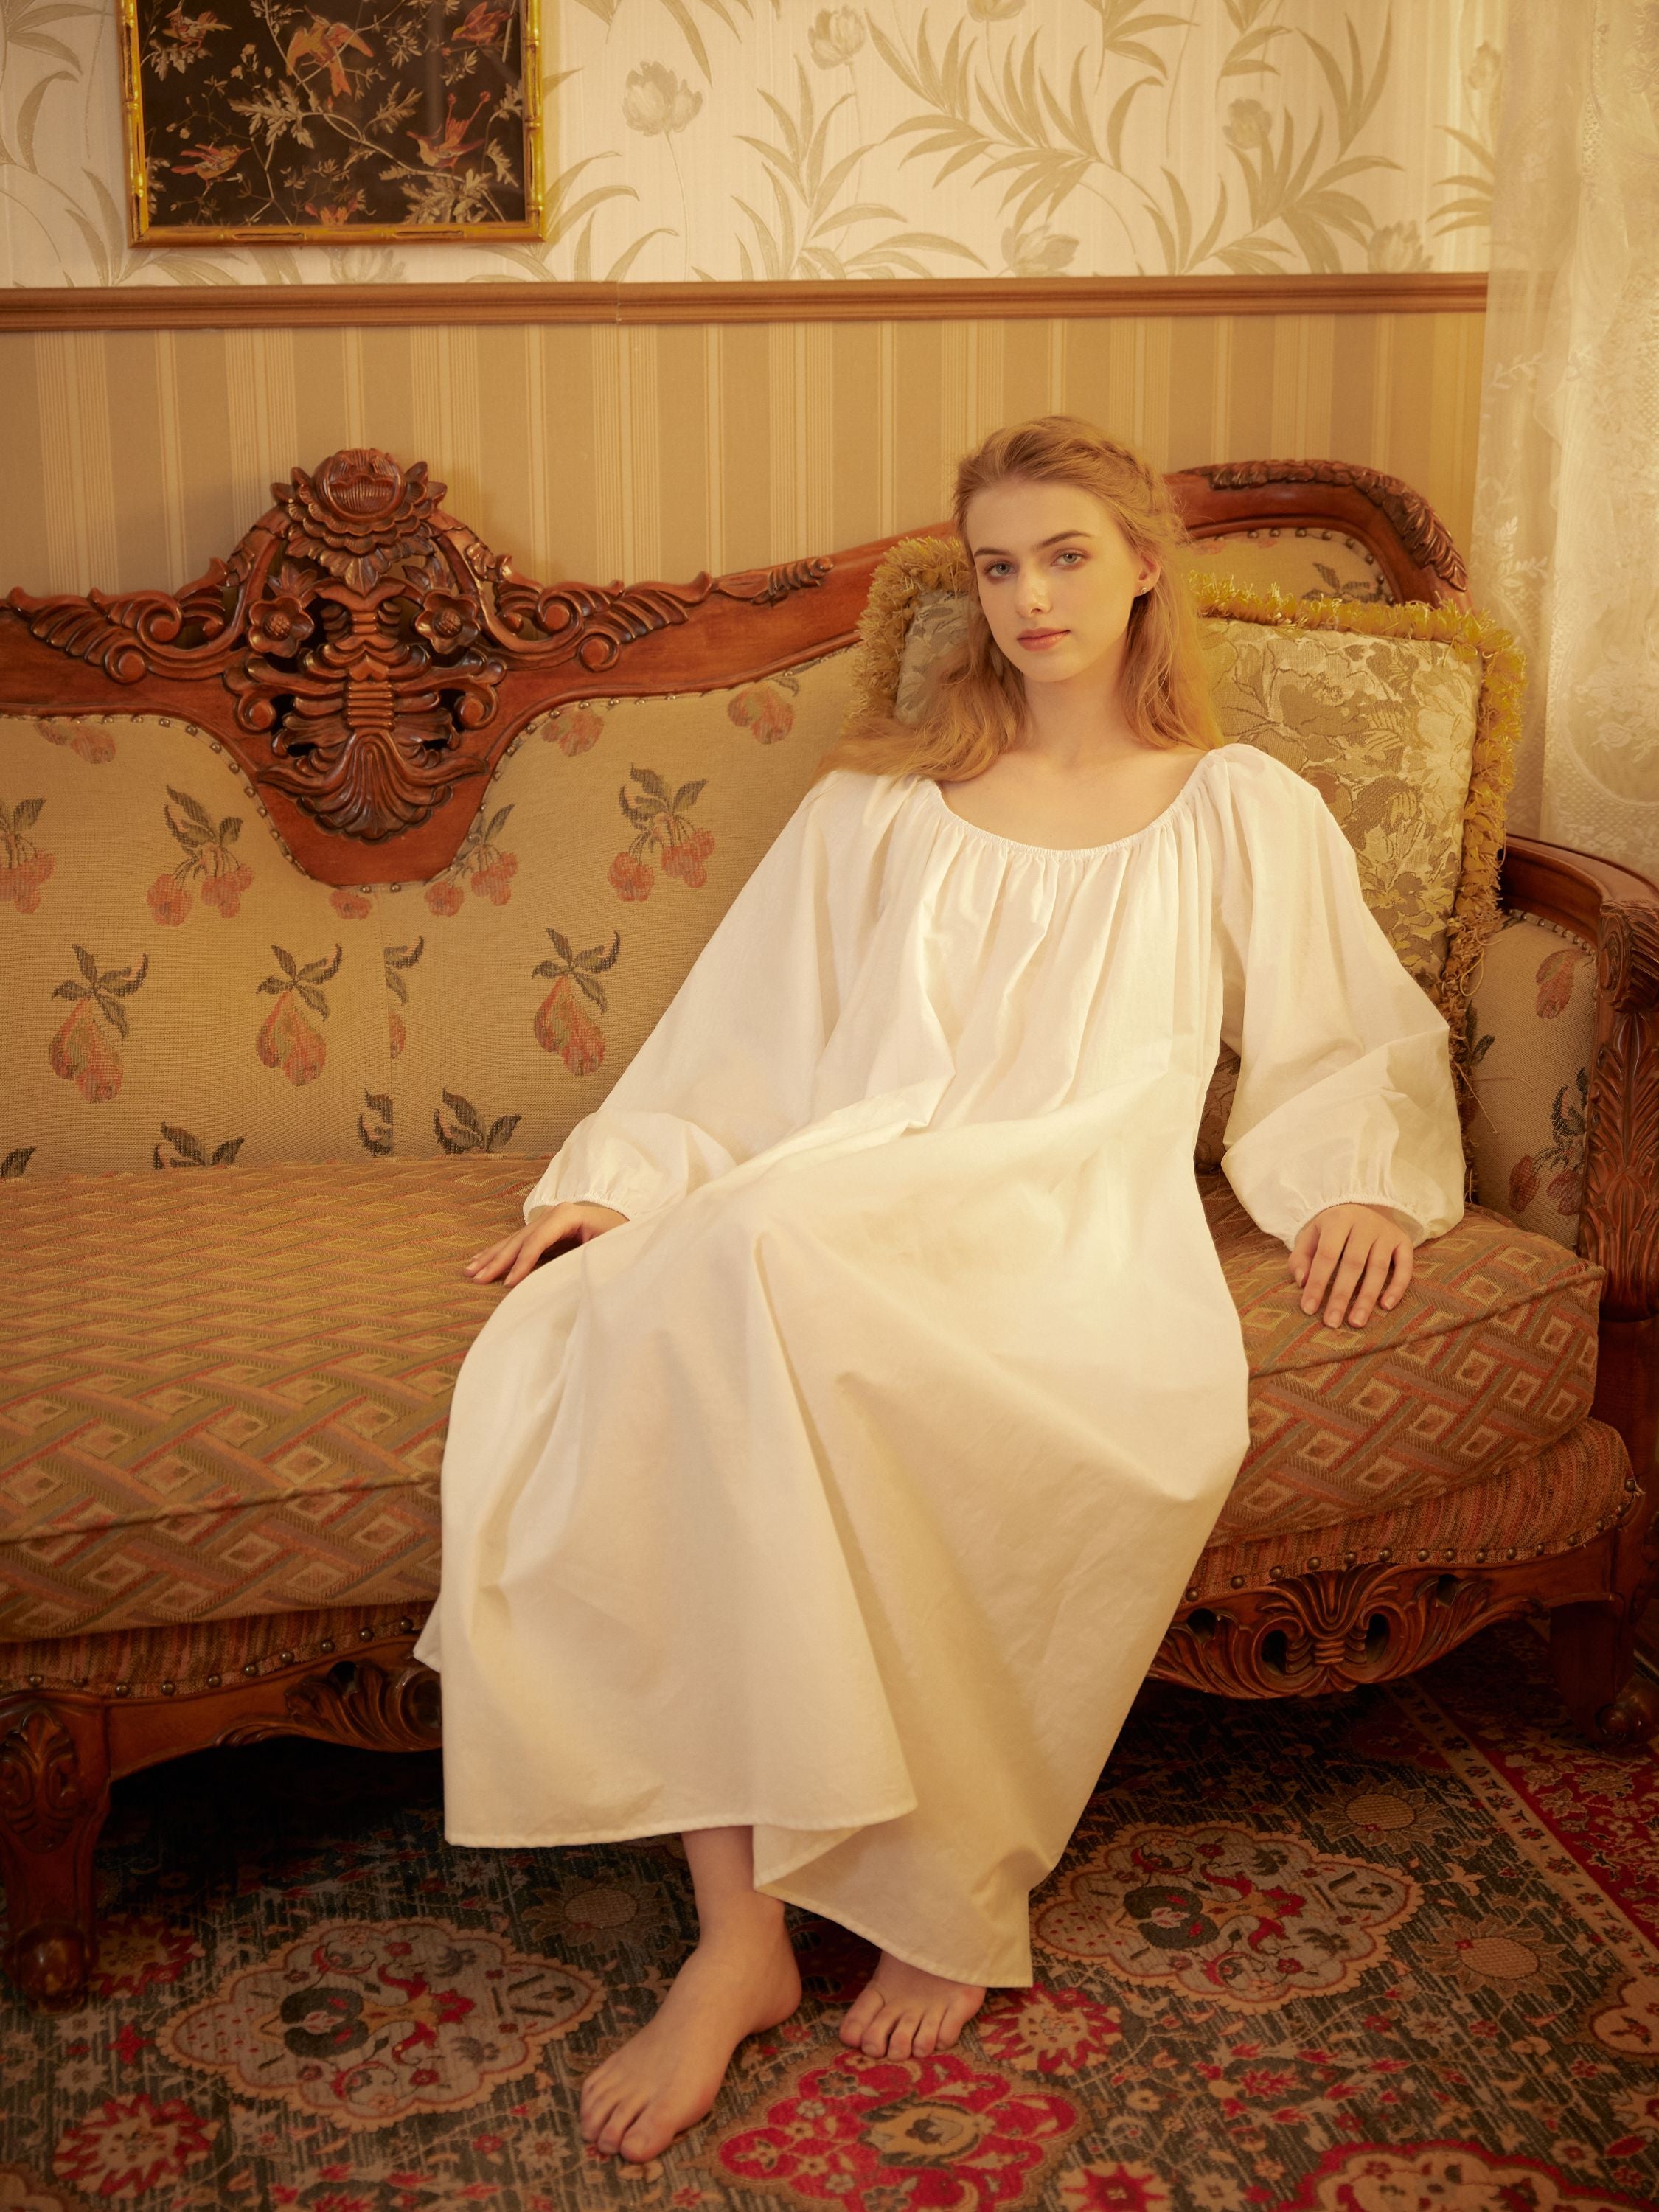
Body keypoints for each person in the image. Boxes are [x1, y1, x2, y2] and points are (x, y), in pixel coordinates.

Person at [411, 415, 1467, 2165]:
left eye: (1066, 555)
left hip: (1062, 1209)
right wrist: (616, 1184)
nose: (1032, 596)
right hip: (852, 1180)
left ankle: (934, 1877)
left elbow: (1334, 1028)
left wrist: (1355, 1179)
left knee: (751, 1276)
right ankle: (739, 1938)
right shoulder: (880, 807)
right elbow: (742, 1042)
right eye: (997, 564)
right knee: (653, 1299)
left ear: (1142, 568)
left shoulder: (1237, 808)